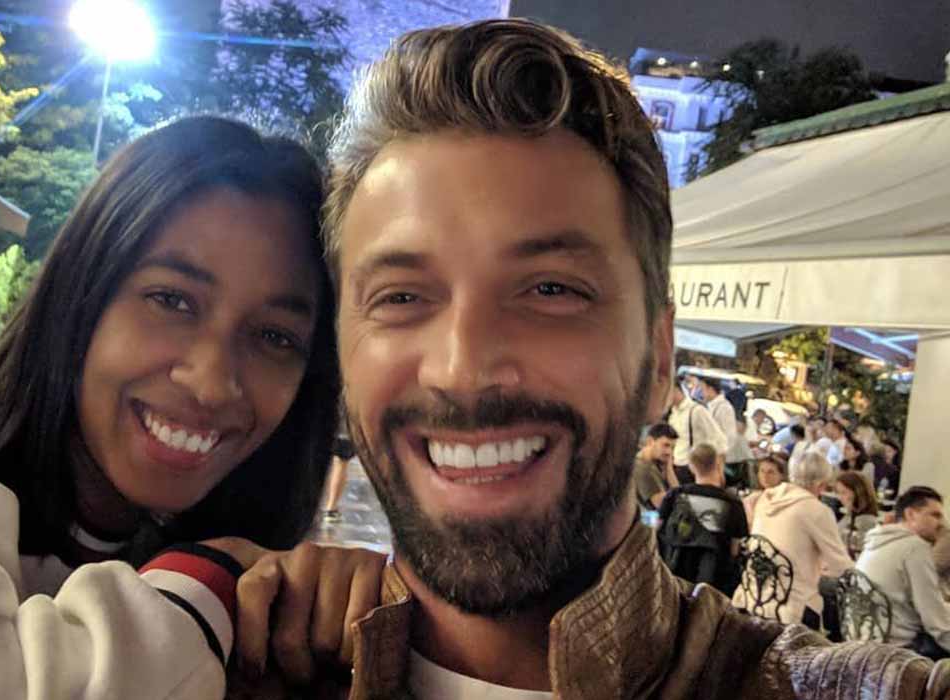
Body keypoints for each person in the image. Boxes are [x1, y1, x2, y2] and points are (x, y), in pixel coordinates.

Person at [230, 19, 950, 699]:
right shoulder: (216, 659)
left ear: (659, 358)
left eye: (551, 289)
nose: (462, 368)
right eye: (400, 297)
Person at [0, 117, 386, 699]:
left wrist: (343, 620)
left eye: (275, 336)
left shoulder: (238, 582)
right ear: (80, 292)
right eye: (172, 300)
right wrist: (208, 584)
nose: (214, 382)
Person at [735, 452, 855, 627]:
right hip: (791, 610)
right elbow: (841, 568)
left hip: (752, 598)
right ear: (821, 484)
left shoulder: (764, 500)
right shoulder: (816, 510)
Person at [857, 487, 950, 659]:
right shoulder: (915, 548)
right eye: (935, 515)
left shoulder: (874, 542)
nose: (941, 523)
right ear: (910, 514)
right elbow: (937, 624)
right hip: (901, 651)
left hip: (866, 642)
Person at [657, 443, 749, 596]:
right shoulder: (733, 503)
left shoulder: (675, 496)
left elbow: (656, 527)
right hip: (714, 585)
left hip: (674, 576)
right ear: (718, 463)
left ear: (691, 467)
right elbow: (734, 549)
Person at [667, 382, 727, 485]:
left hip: (694, 469)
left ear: (675, 390)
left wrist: (719, 470)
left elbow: (719, 440)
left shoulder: (697, 410)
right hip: (676, 467)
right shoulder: (673, 415)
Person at [633, 423, 679, 511]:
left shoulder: (656, 463)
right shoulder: (642, 468)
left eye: (672, 448)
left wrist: (669, 469)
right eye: (665, 445)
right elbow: (666, 506)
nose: (669, 452)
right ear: (650, 441)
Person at [834, 470, 879, 559]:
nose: (840, 498)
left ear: (858, 493)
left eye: (844, 492)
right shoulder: (850, 516)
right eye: (838, 493)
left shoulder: (865, 522)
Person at [743, 454, 787, 528]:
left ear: (781, 475)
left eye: (770, 472)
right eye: (762, 471)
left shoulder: (788, 498)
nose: (765, 476)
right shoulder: (751, 500)